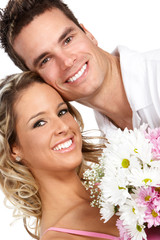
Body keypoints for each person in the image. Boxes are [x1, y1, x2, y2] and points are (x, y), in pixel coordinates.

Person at [0, 0, 160, 138]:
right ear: (38, 81)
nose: (67, 61)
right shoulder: (107, 142)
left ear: (88, 34)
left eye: (67, 40)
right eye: (45, 60)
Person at [0, 71, 120, 240]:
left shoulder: (121, 182)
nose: (62, 127)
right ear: (14, 149)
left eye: (62, 112)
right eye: (39, 123)